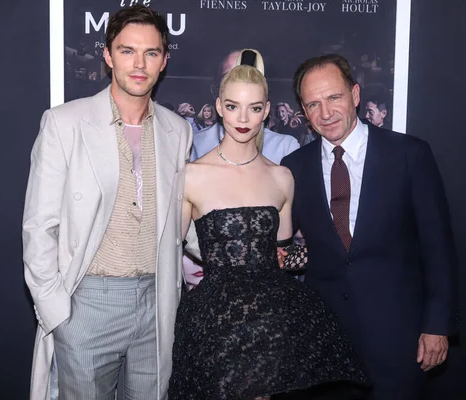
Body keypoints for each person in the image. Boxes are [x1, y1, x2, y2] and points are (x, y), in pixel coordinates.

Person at [168, 49, 368, 400]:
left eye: (254, 108)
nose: (243, 117)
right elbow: (168, 257)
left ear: (267, 111)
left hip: (271, 324)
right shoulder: (191, 176)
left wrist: (324, 255)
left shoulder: (281, 177)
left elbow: (283, 255)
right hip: (214, 325)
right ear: (218, 106)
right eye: (232, 106)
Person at [22, 5, 193, 400]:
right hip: (87, 304)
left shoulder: (177, 130)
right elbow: (38, 226)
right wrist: (57, 313)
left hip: (156, 303)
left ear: (164, 61)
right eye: (127, 50)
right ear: (107, 54)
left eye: (151, 53)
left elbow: (186, 220)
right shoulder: (64, 123)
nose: (139, 63)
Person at [281, 54, 457, 400]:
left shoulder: (409, 155)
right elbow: (283, 244)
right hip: (325, 345)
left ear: (356, 95)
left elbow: (438, 248)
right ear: (303, 111)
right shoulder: (293, 167)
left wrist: (437, 326)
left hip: (399, 340)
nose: (326, 113)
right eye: (313, 104)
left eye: (334, 98)